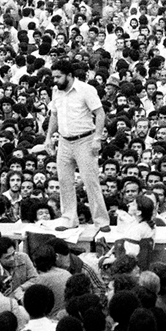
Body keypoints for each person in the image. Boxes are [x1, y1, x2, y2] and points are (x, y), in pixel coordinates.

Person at [44, 59, 110, 233]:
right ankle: (69, 218)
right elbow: (54, 115)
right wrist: (49, 137)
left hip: (85, 140)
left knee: (90, 181)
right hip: (64, 141)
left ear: (69, 75)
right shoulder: (56, 91)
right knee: (65, 181)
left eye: (58, 77)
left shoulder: (86, 90)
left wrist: (98, 138)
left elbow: (100, 113)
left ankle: (101, 220)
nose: (55, 80)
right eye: (54, 77)